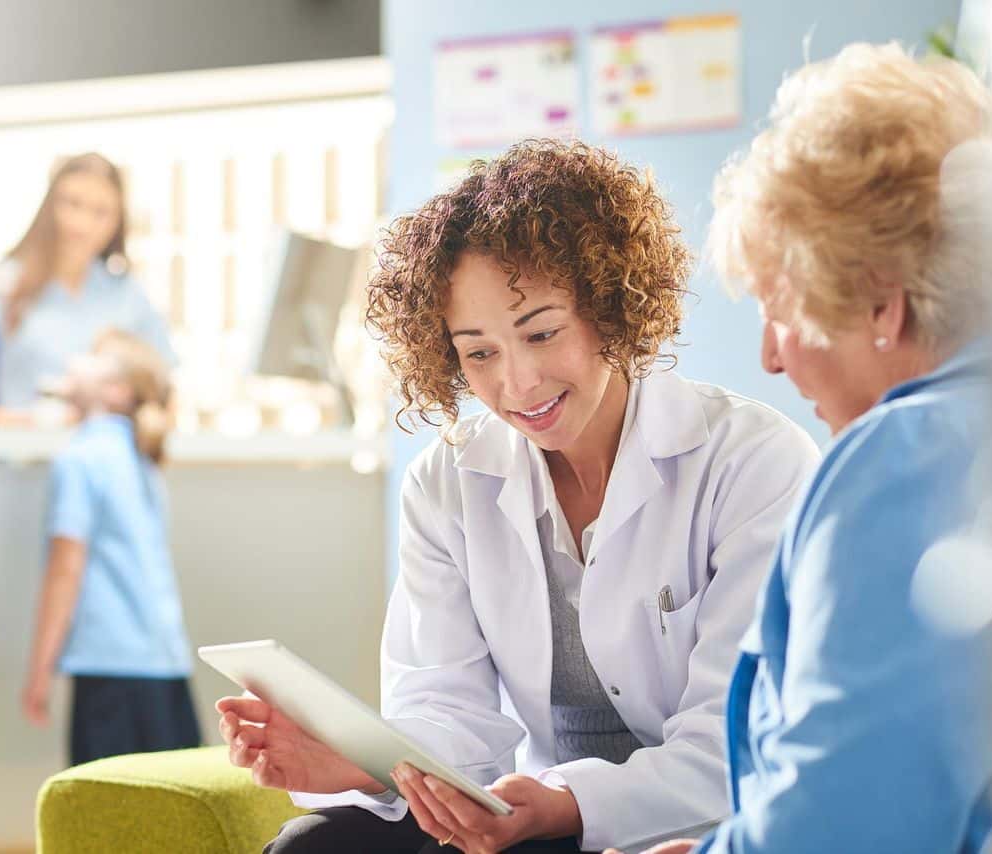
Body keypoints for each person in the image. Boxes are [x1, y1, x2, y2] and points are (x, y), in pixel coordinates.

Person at [217, 139, 821, 853]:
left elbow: (732, 746)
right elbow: (450, 714)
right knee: (312, 846)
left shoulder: (753, 462)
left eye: (542, 333)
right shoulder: (448, 483)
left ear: (610, 306)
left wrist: (563, 802)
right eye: (479, 352)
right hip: (532, 817)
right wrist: (366, 761)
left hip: (703, 825)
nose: (518, 383)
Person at [622, 43, 992, 854]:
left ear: (879, 303)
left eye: (778, 306)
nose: (770, 356)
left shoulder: (907, 457)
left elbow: (848, 823)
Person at [21, 329, 201, 765]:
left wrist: (40, 670)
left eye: (89, 356)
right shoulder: (143, 460)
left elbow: (66, 567)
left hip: (109, 671)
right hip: (167, 666)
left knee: (104, 819)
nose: (74, 360)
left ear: (116, 390)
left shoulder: (81, 458)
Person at [0, 153, 175, 415]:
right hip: (21, 446)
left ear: (117, 221)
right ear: (49, 205)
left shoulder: (127, 295)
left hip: (107, 450)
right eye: (72, 204)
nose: (82, 224)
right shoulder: (2, 286)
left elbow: (163, 384)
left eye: (101, 212)